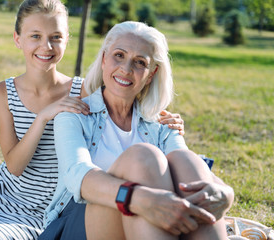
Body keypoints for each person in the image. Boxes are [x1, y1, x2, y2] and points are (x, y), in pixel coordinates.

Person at [0, 1, 184, 240]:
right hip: (2, 190)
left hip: (46, 206)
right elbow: (14, 166)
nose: (46, 46)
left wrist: (161, 118)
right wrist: (43, 116)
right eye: (35, 36)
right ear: (18, 39)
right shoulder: (3, 92)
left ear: (67, 39)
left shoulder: (83, 91)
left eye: (56, 37)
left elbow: (122, 106)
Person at [39, 21, 234, 240]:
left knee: (184, 159)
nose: (126, 69)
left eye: (140, 62)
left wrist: (227, 194)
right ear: (104, 59)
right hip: (77, 225)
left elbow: (191, 171)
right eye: (119, 55)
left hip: (143, 227)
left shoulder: (162, 125)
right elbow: (78, 176)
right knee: (143, 156)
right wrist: (139, 198)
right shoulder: (73, 114)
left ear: (151, 74)